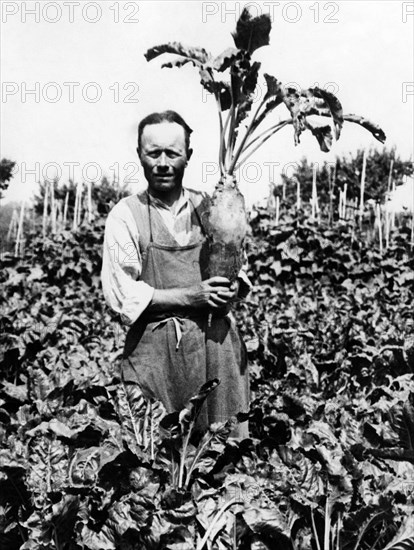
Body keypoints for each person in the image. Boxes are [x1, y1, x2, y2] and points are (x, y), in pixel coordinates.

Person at [101, 110, 250, 438]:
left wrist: (231, 288)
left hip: (216, 349)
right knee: (159, 462)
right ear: (140, 155)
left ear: (188, 156)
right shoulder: (126, 215)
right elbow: (122, 294)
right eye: (154, 153)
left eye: (173, 153)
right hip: (157, 355)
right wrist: (192, 295)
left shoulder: (211, 207)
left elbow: (240, 271)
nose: (163, 162)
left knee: (228, 457)